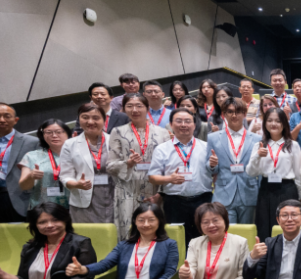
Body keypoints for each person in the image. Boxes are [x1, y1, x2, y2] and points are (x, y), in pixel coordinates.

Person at [148, 108, 215, 244]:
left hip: (202, 200)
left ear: (194, 125)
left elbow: (215, 173)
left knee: (203, 237)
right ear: (171, 125)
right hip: (174, 202)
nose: (183, 124)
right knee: (176, 239)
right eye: (179, 121)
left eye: (187, 121)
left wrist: (214, 165)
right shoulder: (162, 149)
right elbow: (152, 177)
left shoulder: (206, 147)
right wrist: (170, 179)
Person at [106, 94, 169, 237]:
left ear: (147, 108)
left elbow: (168, 167)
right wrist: (128, 163)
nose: (134, 110)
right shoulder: (117, 132)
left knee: (155, 232)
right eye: (129, 106)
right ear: (123, 109)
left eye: (139, 106)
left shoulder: (162, 133)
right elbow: (110, 166)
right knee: (129, 232)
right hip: (127, 190)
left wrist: (161, 194)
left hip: (154, 190)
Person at [248, 107, 301, 243]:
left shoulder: (293, 145)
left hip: (287, 189)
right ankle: (267, 255)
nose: (274, 124)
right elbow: (250, 172)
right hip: (266, 189)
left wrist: (300, 196)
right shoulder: (259, 145)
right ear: (265, 123)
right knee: (265, 226)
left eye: (278, 121)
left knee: (287, 226)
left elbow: (298, 174)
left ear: (284, 123)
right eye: (270, 120)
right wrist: (257, 156)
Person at [207, 97, 262, 224]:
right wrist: (212, 165)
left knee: (248, 232)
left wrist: (260, 194)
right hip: (223, 194)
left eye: (238, 111)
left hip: (249, 193)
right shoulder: (213, 138)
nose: (234, 115)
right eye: (230, 111)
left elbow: (259, 168)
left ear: (244, 114)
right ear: (224, 114)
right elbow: (209, 168)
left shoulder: (257, 139)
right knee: (226, 232)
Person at [59, 104, 114, 224]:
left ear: (104, 120)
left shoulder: (116, 141)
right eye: (85, 117)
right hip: (83, 201)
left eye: (96, 118)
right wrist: (76, 184)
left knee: (115, 234)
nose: (90, 122)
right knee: (86, 234)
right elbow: (65, 175)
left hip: (113, 199)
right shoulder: (70, 144)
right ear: (79, 120)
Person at [19, 119, 72, 210]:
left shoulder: (77, 154)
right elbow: (23, 186)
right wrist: (31, 176)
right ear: (42, 135)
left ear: (67, 133)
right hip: (42, 208)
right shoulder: (32, 156)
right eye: (48, 132)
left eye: (59, 132)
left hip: (74, 207)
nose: (54, 135)